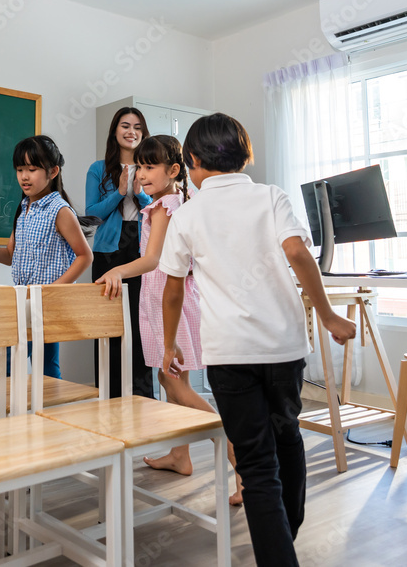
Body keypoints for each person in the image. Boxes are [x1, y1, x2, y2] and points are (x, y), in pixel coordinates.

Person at [159, 113, 356, 567]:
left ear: (191, 160)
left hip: (229, 353)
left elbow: (173, 289)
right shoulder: (271, 197)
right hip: (284, 349)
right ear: (244, 155)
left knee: (256, 466)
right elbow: (297, 252)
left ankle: (277, 550)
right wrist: (326, 315)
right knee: (287, 437)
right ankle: (285, 533)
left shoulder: (187, 214)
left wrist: (170, 344)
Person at [95, 135, 243, 505]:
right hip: (172, 298)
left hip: (167, 301)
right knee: (171, 377)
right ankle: (180, 456)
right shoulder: (177, 202)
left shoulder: (163, 208)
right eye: (139, 166)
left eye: (149, 166)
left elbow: (152, 260)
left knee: (171, 380)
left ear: (173, 170)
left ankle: (236, 449)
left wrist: (116, 271)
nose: (141, 173)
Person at [0, 135, 93, 380]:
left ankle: (20, 414)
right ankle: (47, 415)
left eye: (32, 169)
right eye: (20, 169)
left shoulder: (60, 211)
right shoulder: (24, 209)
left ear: (53, 171)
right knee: (46, 369)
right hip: (26, 303)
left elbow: (85, 256)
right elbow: (11, 256)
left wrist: (52, 291)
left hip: (46, 305)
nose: (24, 176)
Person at [85, 107, 154, 398]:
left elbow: (157, 208)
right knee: (108, 325)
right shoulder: (98, 168)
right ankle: (109, 396)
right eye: (125, 126)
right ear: (115, 131)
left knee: (141, 326)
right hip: (107, 252)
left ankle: (142, 398)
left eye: (137, 127)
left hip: (140, 250)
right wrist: (118, 191)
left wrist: (138, 192)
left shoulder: (151, 168)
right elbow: (91, 216)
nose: (131, 132)